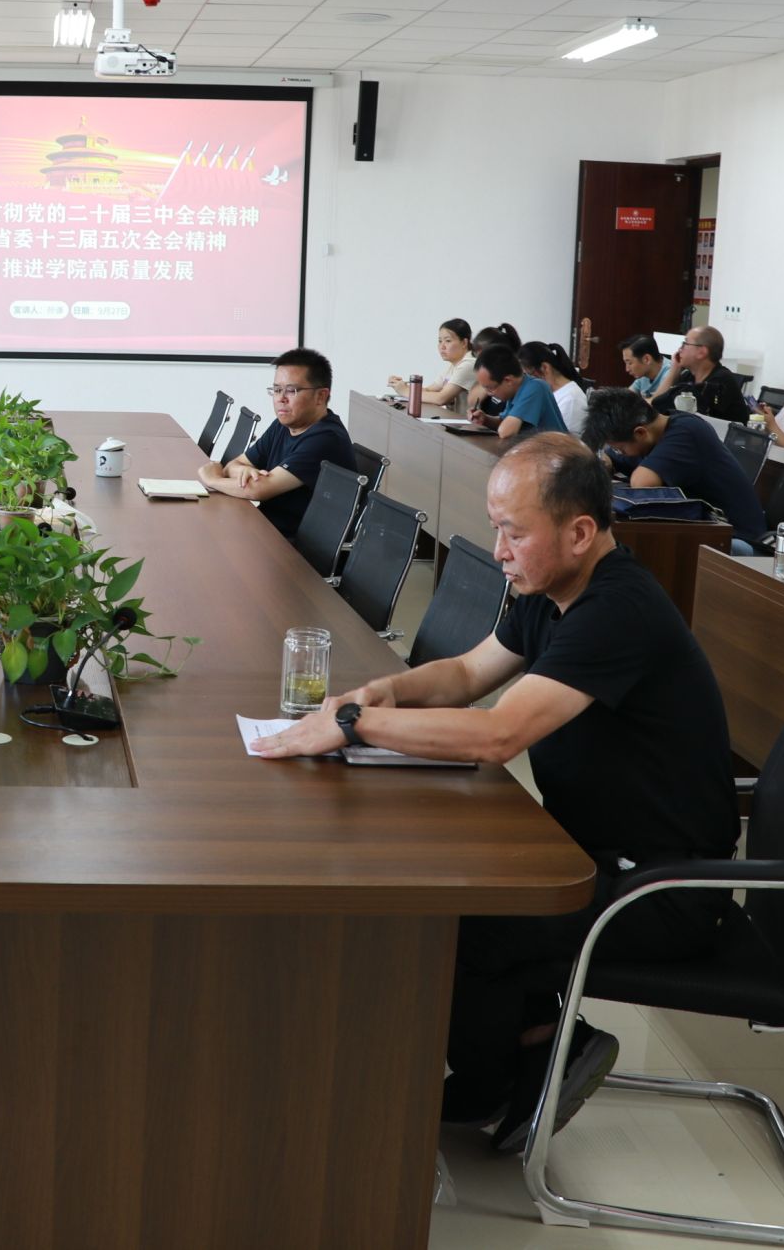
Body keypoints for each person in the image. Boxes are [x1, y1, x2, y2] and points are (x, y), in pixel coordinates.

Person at [252, 434, 736, 1151]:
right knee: (453, 877)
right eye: (495, 528)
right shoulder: (553, 590)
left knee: (459, 913)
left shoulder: (618, 610)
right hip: (589, 851)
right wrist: (382, 693)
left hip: (661, 888)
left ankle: (501, 1078)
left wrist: (352, 726)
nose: (499, 551)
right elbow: (466, 674)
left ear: (579, 533)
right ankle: (535, 1041)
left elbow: (498, 734)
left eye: (513, 532)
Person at [195, 346, 359, 539]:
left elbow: (258, 490)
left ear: (320, 396)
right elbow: (234, 465)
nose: (281, 399)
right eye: (277, 389)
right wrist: (245, 472)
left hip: (296, 547)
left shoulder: (325, 439)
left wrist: (212, 480)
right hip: (268, 529)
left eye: (291, 390)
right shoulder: (283, 425)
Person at [582, 387, 766, 552]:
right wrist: (604, 462)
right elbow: (609, 459)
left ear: (640, 433)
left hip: (737, 540)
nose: (619, 453)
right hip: (706, 529)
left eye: (620, 448)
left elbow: (642, 483)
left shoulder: (686, 431)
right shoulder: (650, 436)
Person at [651, 325, 748, 422]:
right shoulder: (688, 376)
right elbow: (656, 404)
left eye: (685, 344)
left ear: (701, 352)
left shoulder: (720, 381)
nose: (680, 349)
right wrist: (674, 370)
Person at [469, 345, 568, 438]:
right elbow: (503, 422)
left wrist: (503, 427)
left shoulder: (535, 388)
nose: (488, 393)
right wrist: (486, 419)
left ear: (508, 380)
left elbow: (505, 432)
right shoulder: (516, 389)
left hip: (554, 449)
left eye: (490, 388)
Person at [388, 319, 478, 415]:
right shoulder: (454, 365)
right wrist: (402, 386)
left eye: (448, 341)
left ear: (464, 343)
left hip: (469, 423)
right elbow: (429, 390)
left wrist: (405, 391)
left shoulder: (468, 364)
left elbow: (441, 398)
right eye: (440, 341)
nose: (442, 346)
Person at [519, 341, 587, 437]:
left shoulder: (571, 399)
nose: (526, 383)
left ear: (544, 368)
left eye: (528, 376)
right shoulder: (549, 392)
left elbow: (560, 440)